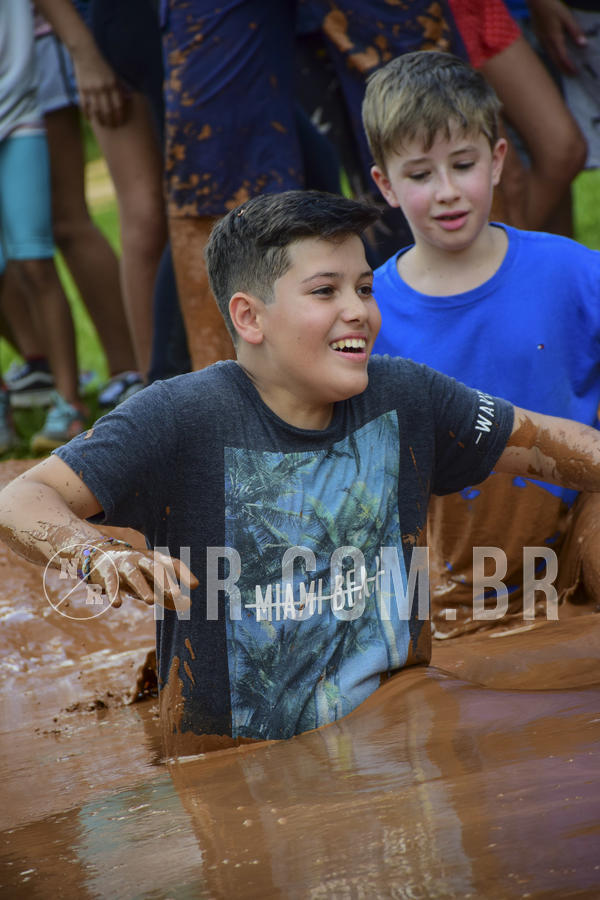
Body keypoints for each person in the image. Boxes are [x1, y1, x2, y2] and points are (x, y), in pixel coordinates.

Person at [2, 191, 600, 754]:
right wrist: (97, 553)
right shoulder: (182, 417)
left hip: (403, 741)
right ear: (249, 317)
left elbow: (549, 445)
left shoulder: (406, 396)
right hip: (237, 773)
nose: (357, 311)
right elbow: (22, 500)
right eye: (325, 291)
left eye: (364, 288)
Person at [362, 50, 600, 636]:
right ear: (386, 184)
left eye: (462, 164)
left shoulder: (569, 271)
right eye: (420, 175)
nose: (446, 191)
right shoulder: (366, 314)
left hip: (574, 542)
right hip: (448, 574)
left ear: (496, 162)